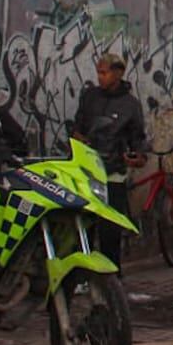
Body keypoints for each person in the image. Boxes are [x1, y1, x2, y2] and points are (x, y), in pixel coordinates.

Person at [69, 52, 148, 266]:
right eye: (98, 73)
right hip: (86, 172)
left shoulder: (130, 105)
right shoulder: (90, 97)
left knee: (110, 230)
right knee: (83, 226)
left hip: (113, 173)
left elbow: (137, 137)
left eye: (104, 73)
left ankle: (112, 273)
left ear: (118, 73)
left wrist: (139, 156)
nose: (100, 77)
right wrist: (78, 136)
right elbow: (78, 124)